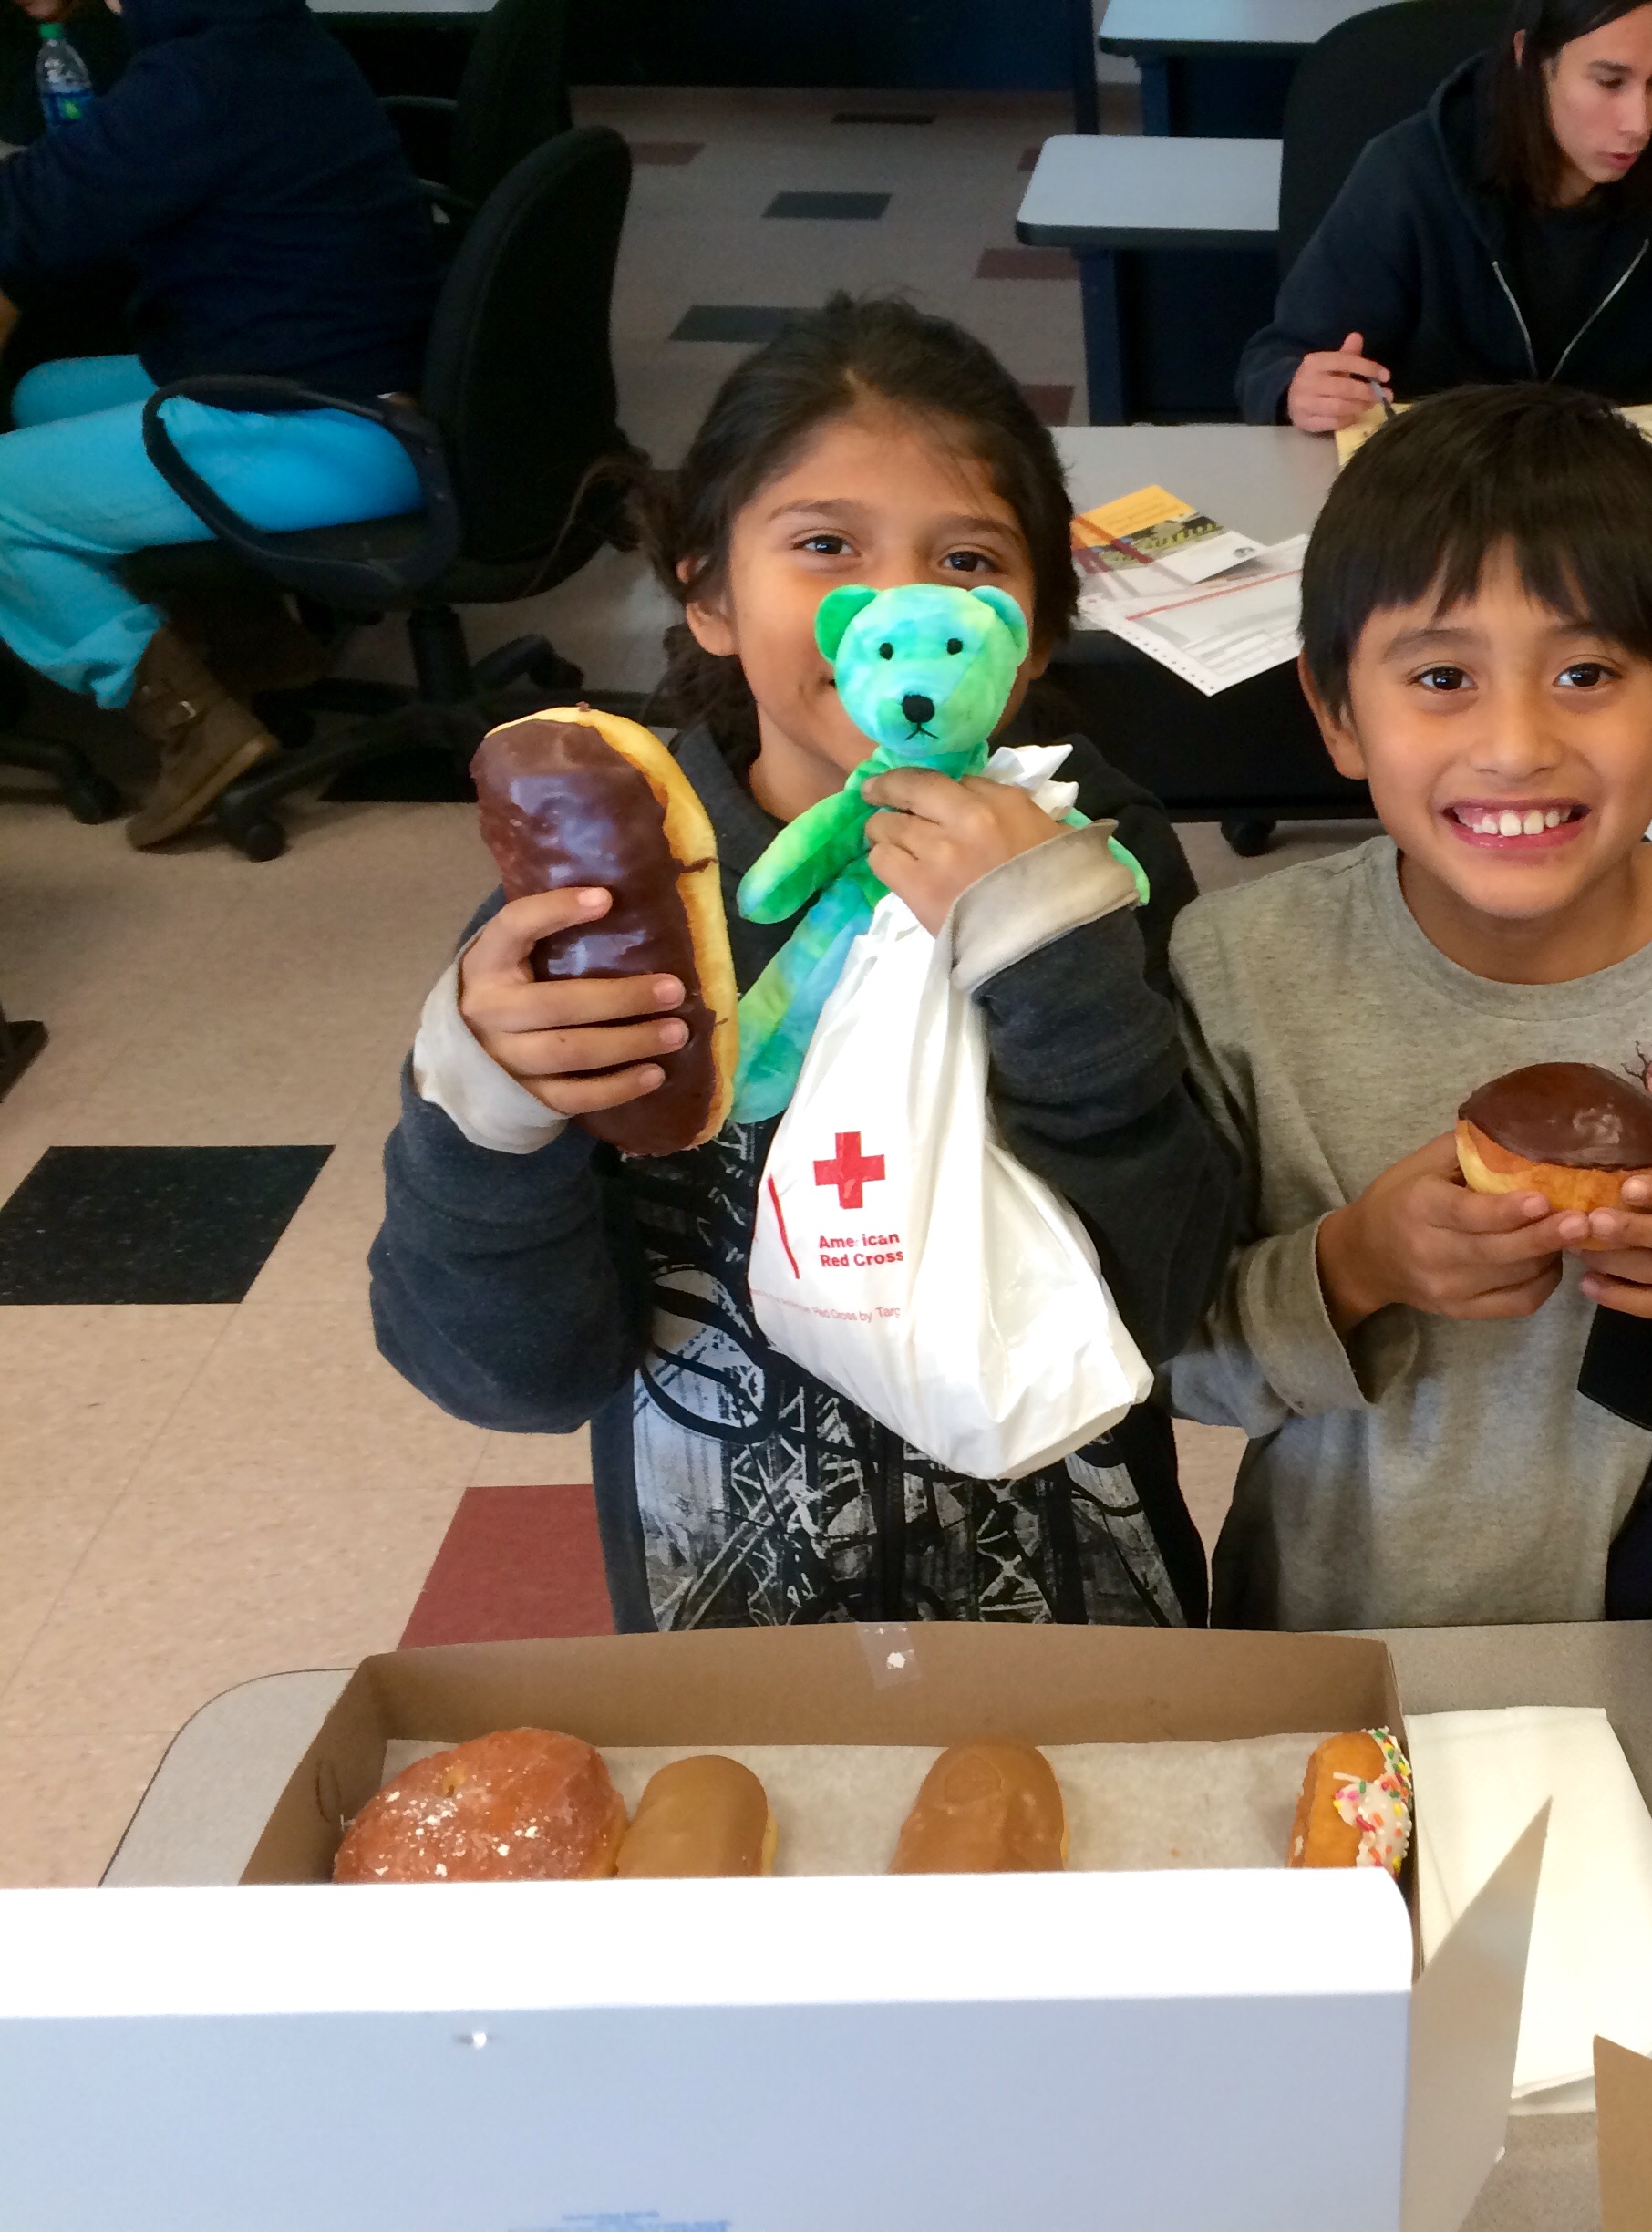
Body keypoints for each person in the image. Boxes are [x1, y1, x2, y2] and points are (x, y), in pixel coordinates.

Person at [370, 296, 1239, 1632]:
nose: (892, 606)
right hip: (727, 1616)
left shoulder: (1097, 867)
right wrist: (482, 1111)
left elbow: (1169, 1304)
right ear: (708, 592)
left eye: (964, 562)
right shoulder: (596, 909)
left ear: (1036, 633)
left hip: (1079, 1605)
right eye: (826, 545)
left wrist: (1052, 969)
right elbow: (516, 1379)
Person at [1170, 385, 1652, 1628]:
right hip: (1345, 1634)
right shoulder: (1245, 967)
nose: (1516, 744)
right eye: (1443, 676)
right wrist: (1355, 1263)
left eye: (1584, 673)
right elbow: (1177, 1363)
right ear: (1338, 710)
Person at [0, 0, 439, 846]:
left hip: (321, 430)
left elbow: (37, 216)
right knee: (43, 394)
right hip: (351, 390)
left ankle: (191, 723)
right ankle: (251, 632)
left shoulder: (202, 80)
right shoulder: (267, 38)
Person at [1234, 0, 1652, 433]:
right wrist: (1295, 389)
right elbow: (1278, 359)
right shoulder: (1409, 173)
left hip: (1618, 500)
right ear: (1529, 57)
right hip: (1442, 499)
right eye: (1609, 82)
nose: (1638, 122)